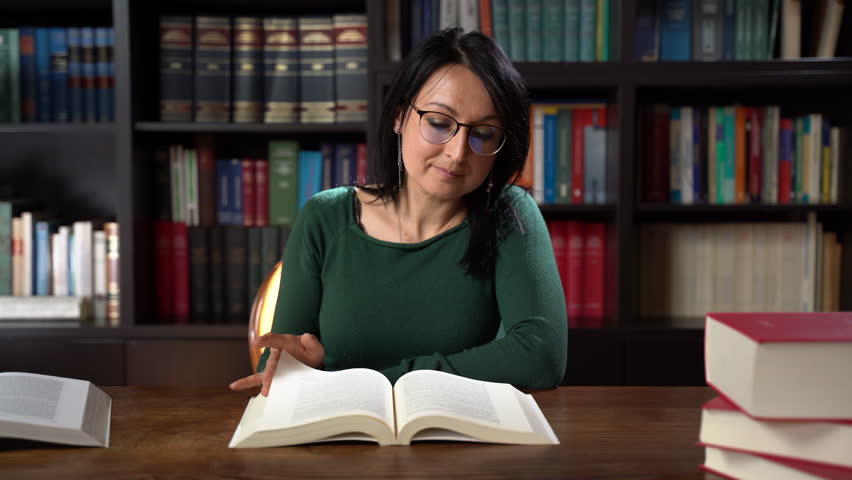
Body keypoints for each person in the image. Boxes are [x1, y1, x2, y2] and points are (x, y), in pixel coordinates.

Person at [230, 28, 567, 397]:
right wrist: (300, 368)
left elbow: (542, 357)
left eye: (483, 133)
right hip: (345, 436)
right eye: (439, 123)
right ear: (398, 117)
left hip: (463, 440)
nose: (457, 152)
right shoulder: (325, 218)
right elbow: (276, 370)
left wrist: (391, 381)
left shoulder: (510, 214)